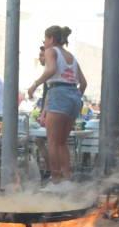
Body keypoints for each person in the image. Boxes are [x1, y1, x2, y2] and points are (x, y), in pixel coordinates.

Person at [27, 25, 87, 182]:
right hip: (74, 97)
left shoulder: (50, 51)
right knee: (62, 142)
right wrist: (73, 97)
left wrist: (35, 84)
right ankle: (67, 179)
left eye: (45, 39)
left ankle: (55, 179)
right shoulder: (71, 57)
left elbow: (51, 69)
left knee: (52, 142)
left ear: (51, 39)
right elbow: (84, 83)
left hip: (59, 93)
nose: (45, 43)